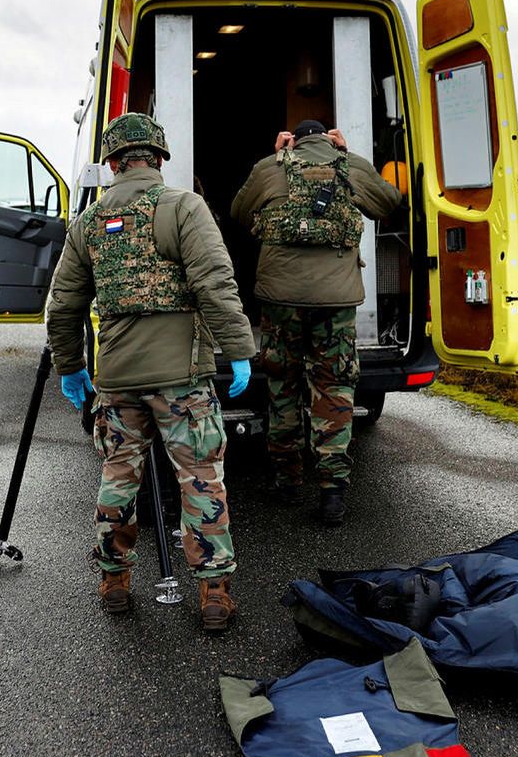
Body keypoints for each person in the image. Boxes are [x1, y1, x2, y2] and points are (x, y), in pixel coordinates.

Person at [45, 112, 255, 631]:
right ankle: (212, 595)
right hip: (182, 377)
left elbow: (63, 307)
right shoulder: (184, 207)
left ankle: (114, 582)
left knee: (118, 477)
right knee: (201, 478)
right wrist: (240, 349)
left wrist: (71, 368)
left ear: (113, 163)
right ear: (159, 158)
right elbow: (214, 283)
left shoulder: (88, 224)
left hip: (117, 378)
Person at [230, 119, 404, 525]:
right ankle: (332, 495)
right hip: (336, 303)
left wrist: (275, 158)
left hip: (279, 300)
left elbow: (239, 212)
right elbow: (388, 202)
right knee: (334, 389)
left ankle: (287, 481)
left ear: (292, 140)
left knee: (282, 386)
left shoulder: (270, 166)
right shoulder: (349, 165)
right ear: (328, 139)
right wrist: (348, 155)